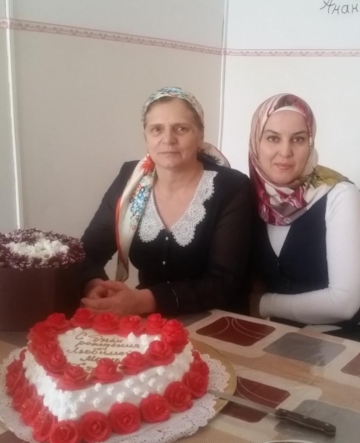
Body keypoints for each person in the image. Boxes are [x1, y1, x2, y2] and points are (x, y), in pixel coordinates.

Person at [247, 93, 360, 353]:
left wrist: (261, 304)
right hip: (297, 337)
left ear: (310, 142)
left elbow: (344, 303)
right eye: (272, 138)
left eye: (298, 139)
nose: (285, 152)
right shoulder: (247, 197)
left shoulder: (338, 193)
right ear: (255, 142)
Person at [77, 87, 253, 318]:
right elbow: (87, 251)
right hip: (147, 321)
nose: (168, 139)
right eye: (156, 129)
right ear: (146, 136)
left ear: (200, 136)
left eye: (181, 128)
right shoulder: (131, 179)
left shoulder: (231, 187)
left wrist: (142, 300)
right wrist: (96, 285)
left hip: (216, 321)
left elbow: (224, 282)